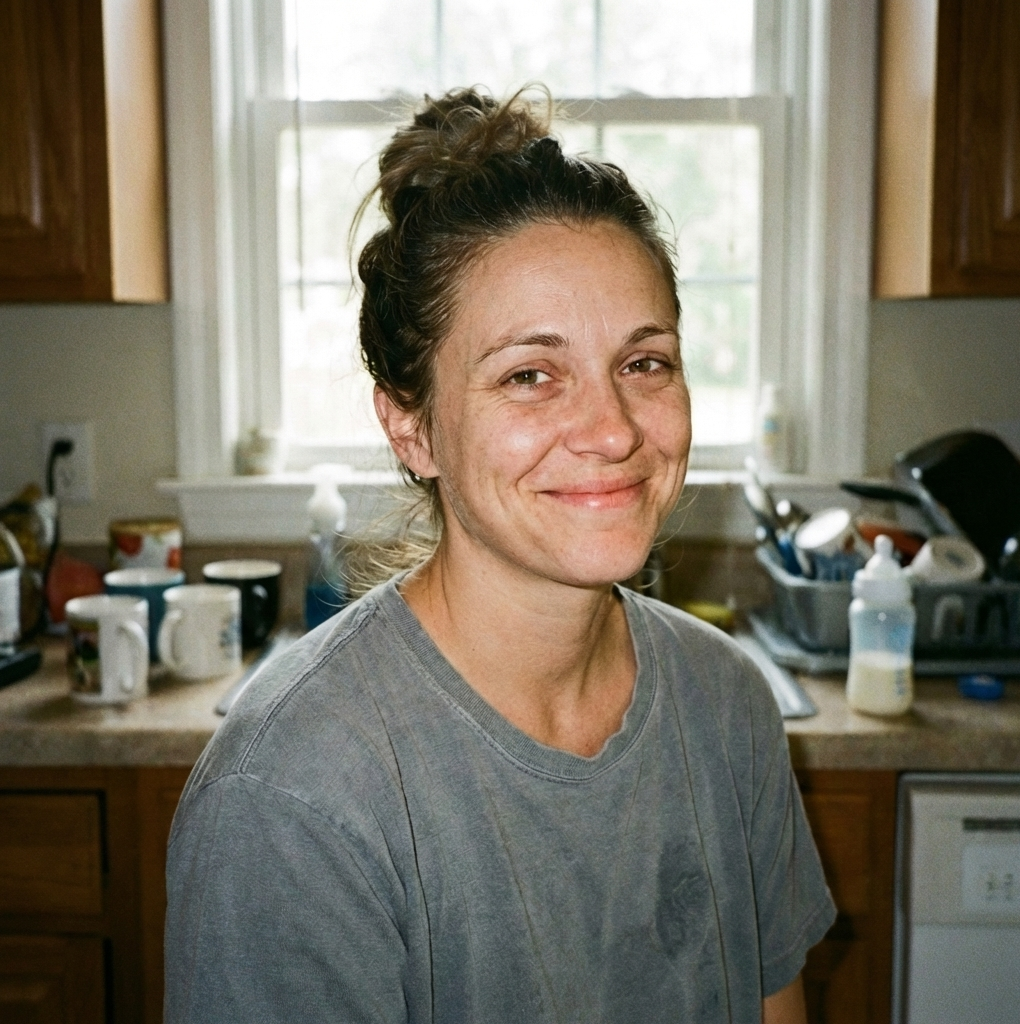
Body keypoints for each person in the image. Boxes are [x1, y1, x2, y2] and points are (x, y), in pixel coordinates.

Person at [165, 89, 834, 1024]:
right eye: (530, 375)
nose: (611, 431)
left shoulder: (726, 708)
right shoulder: (292, 796)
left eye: (645, 362)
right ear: (411, 427)